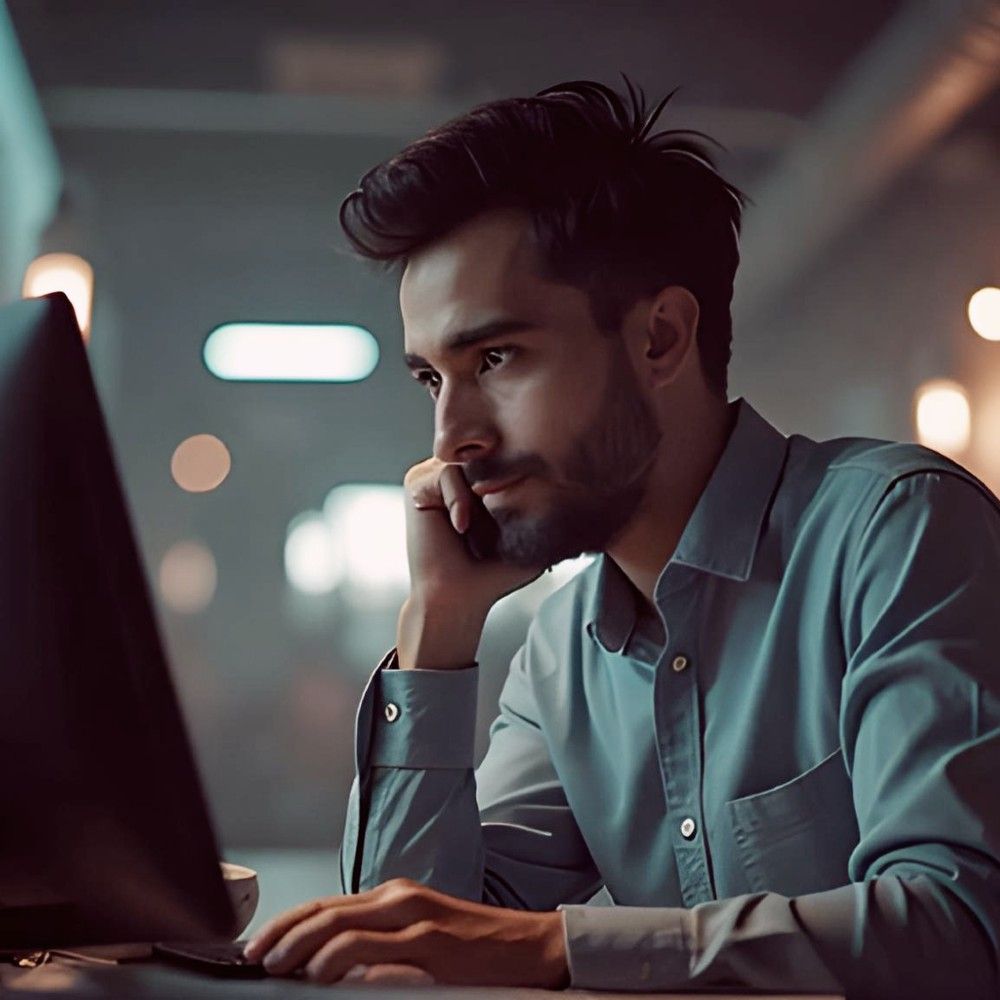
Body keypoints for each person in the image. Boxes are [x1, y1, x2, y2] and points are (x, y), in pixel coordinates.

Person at [243, 76, 1000, 998]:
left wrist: (556, 947)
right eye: (431, 381)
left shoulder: (898, 532)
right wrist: (435, 630)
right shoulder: (562, 655)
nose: (451, 440)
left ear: (660, 338)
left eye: (495, 358)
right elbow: (411, 949)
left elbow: (962, 929)